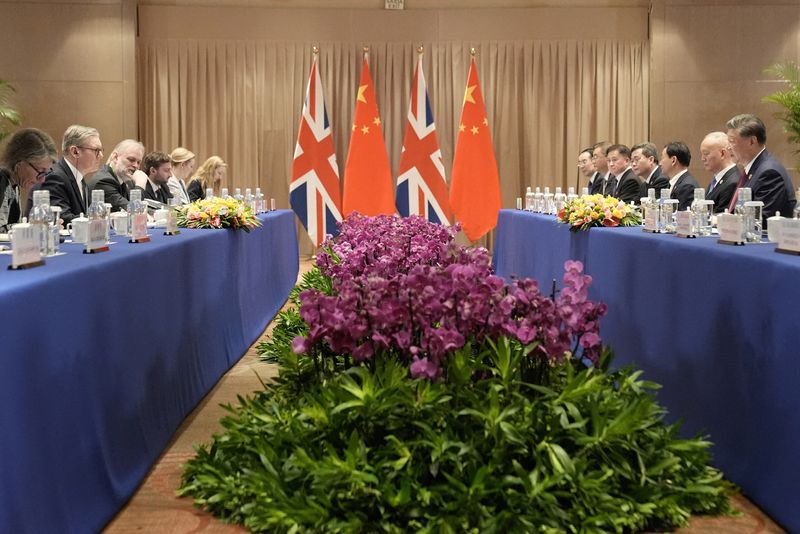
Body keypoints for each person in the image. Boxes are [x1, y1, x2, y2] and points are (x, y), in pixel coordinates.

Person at [725, 114, 796, 220]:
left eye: (732, 141)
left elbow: (761, 220)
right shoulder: (752, 169)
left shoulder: (769, 173)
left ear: (752, 141)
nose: (728, 147)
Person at [40, 124, 104, 224]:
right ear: (75, 152)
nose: (101, 155)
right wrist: (99, 219)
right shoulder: (55, 177)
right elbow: (62, 218)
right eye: (96, 150)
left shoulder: (80, 178)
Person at [0, 128, 58, 232]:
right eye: (40, 171)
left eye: (46, 173)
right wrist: (34, 227)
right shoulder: (1, 180)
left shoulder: (14, 183)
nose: (42, 180)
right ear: (20, 162)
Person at [86, 139, 144, 212]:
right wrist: (140, 186)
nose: (136, 165)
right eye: (131, 160)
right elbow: (134, 211)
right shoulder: (104, 181)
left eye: (138, 162)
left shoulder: (127, 180)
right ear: (115, 157)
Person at [699, 132, 739, 214]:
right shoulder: (717, 179)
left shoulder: (732, 182)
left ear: (722, 153)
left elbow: (722, 218)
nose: (702, 159)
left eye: (706, 154)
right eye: (702, 154)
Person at [659, 141, 699, 211]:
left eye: (662, 158)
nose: (660, 163)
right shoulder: (673, 182)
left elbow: (684, 218)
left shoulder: (687, 186)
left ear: (673, 160)